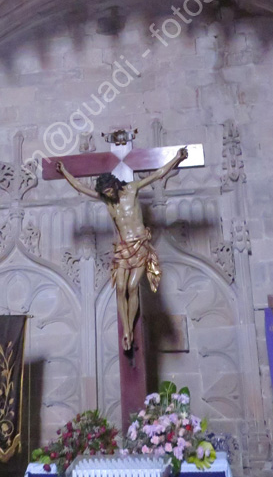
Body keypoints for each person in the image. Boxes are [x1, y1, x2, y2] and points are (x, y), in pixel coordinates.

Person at [56, 147, 188, 351]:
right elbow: (80, 187)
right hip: (123, 248)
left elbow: (158, 175)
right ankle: (126, 330)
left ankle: (130, 328)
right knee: (119, 287)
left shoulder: (132, 189)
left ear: (115, 185)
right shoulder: (106, 199)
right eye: (105, 194)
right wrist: (64, 172)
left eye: (110, 191)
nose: (109, 195)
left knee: (133, 286)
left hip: (140, 245)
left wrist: (177, 159)